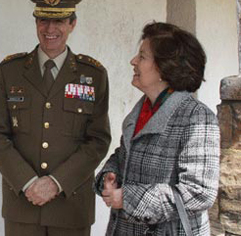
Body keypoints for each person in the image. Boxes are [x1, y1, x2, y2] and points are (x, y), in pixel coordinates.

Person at [0, 0, 111, 236]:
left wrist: (56, 183)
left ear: (72, 24)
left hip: (71, 206)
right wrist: (28, 182)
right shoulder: (10, 71)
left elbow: (98, 139)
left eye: (59, 21)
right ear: (36, 22)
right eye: (44, 20)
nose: (50, 29)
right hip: (22, 205)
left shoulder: (94, 75)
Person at [94, 22, 220, 236]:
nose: (133, 61)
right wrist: (110, 174)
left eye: (142, 57)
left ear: (164, 67)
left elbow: (199, 192)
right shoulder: (142, 110)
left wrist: (128, 198)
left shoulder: (197, 117)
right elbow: (125, 155)